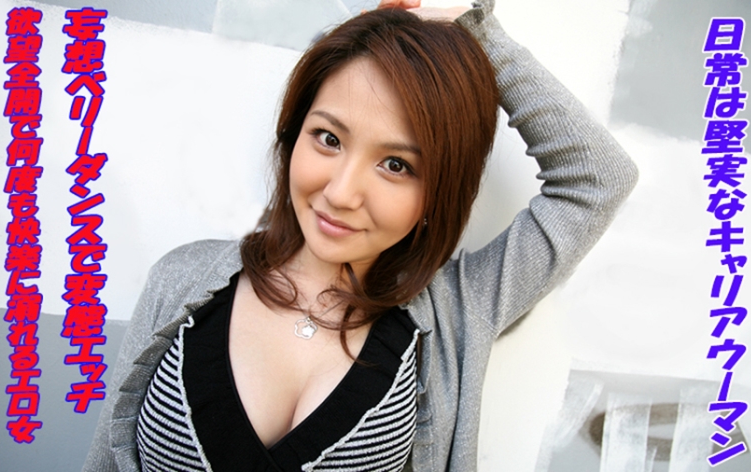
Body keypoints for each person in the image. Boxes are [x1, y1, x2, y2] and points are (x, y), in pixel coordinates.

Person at [83, 0, 639, 470]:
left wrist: (473, 27)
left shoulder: (460, 311)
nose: (342, 192)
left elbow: (598, 179)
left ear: (437, 192)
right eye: (328, 138)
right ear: (293, 133)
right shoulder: (181, 279)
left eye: (396, 165)